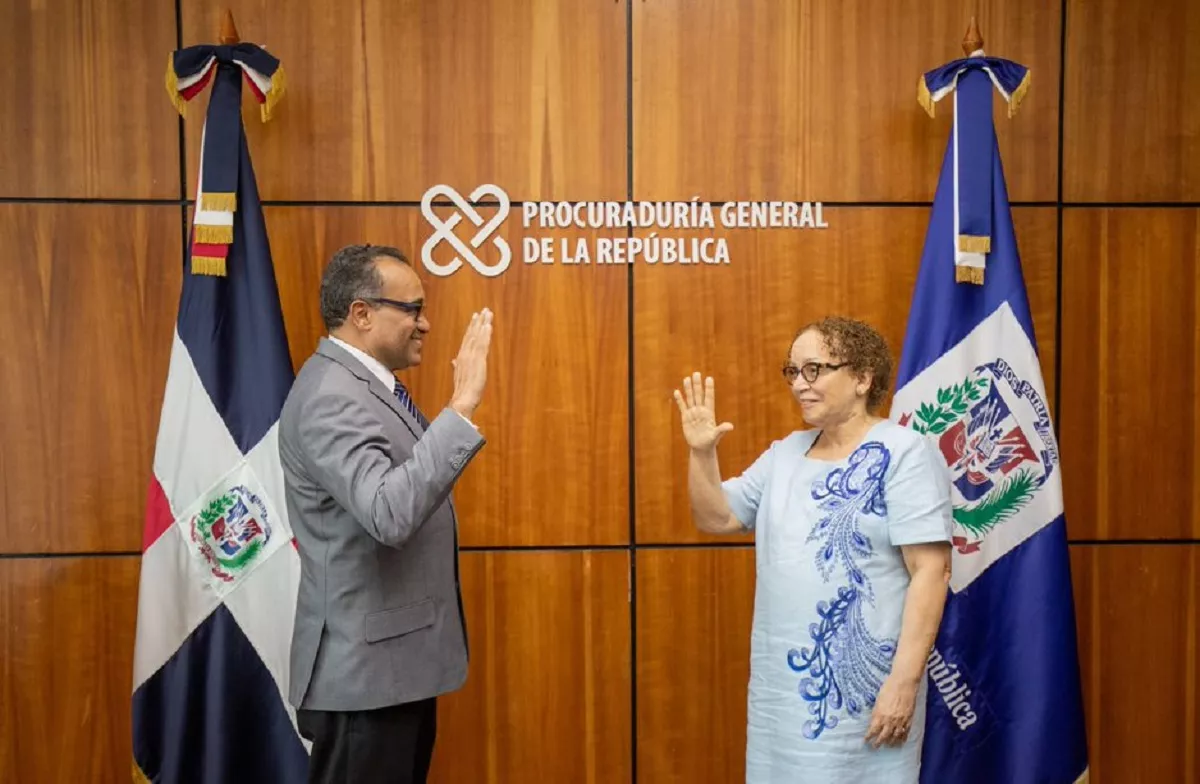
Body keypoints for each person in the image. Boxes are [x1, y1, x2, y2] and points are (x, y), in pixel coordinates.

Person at [673, 316, 952, 784]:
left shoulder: (904, 452)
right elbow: (717, 517)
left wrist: (903, 683)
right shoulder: (785, 453)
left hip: (868, 694)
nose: (800, 385)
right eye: (793, 372)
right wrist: (702, 453)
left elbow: (931, 571)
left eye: (815, 370)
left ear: (862, 378)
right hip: (780, 700)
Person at [278, 243, 492, 784]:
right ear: (362, 313)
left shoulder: (365, 386)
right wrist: (461, 406)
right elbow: (389, 513)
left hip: (392, 672)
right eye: (413, 309)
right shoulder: (333, 395)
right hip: (365, 680)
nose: (425, 324)